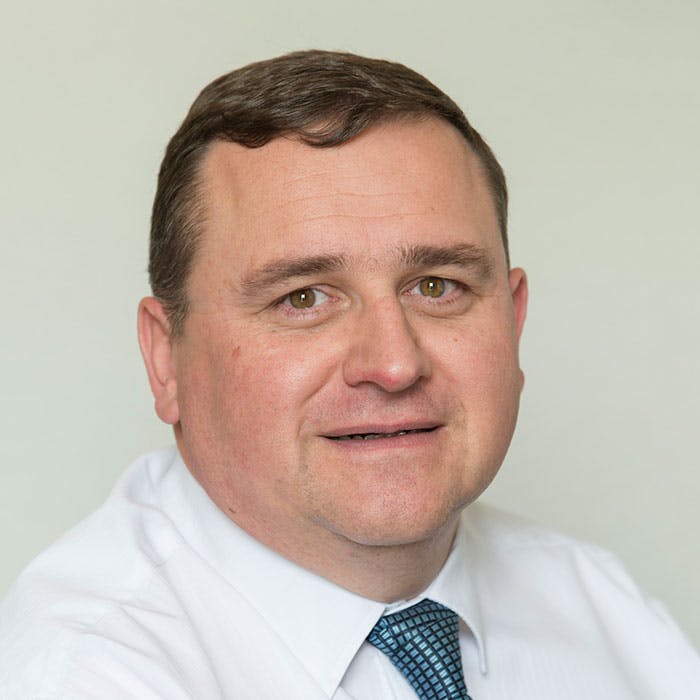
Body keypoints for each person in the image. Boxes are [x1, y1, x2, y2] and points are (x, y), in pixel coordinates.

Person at [0, 50, 698, 700]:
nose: (394, 365)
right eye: (303, 298)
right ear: (165, 359)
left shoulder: (605, 613)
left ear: (513, 323)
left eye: (437, 286)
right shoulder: (84, 672)